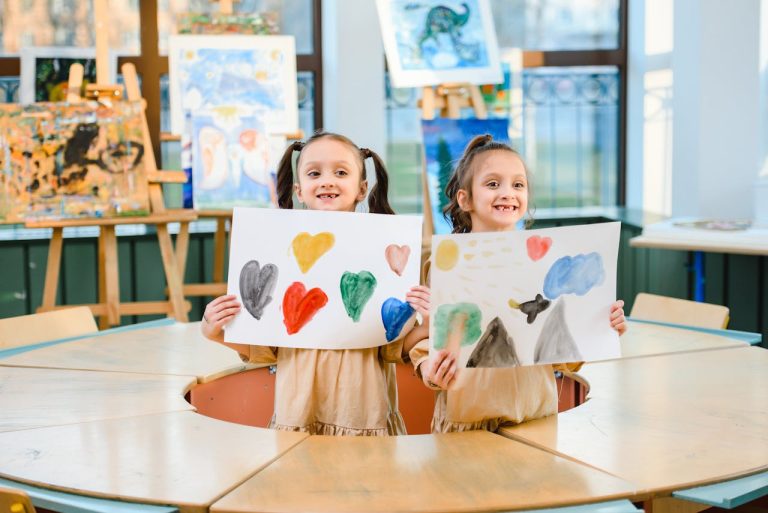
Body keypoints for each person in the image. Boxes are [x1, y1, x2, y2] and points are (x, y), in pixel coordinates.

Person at [202, 130, 424, 436]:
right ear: (300, 189)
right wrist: (215, 331)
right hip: (299, 414)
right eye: (314, 173)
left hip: (362, 415)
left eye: (341, 172)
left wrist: (428, 318)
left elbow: (394, 347)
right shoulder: (280, 253)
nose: (327, 180)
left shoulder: (382, 255)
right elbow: (266, 348)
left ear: (362, 189)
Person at [408, 134, 627, 433]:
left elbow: (561, 355)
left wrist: (600, 326)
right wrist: (430, 369)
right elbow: (426, 338)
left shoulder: (545, 263)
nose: (507, 193)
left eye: (518, 184)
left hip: (534, 418)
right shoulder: (447, 264)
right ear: (465, 199)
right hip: (468, 420)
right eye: (493, 184)